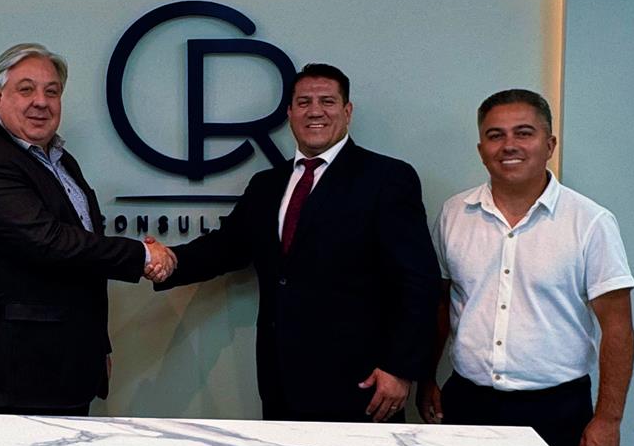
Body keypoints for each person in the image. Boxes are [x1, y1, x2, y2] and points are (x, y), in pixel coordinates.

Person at [155, 63, 440, 422]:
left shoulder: (387, 178)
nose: (315, 111)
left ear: (347, 111)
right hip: (280, 380)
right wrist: (165, 260)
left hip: (362, 383)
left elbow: (418, 281)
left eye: (327, 101)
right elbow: (226, 248)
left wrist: (400, 368)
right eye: (304, 102)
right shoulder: (267, 184)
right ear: (290, 113)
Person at [417, 88, 634, 446]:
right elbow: (441, 303)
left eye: (524, 133)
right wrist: (428, 379)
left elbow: (617, 327)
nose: (509, 145)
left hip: (556, 411)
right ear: (481, 148)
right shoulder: (454, 214)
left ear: (549, 144)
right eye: (495, 135)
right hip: (468, 404)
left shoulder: (590, 222)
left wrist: (608, 419)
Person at [0, 43, 175, 416]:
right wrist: (142, 255)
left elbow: (84, 261)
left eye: (51, 92)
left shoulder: (61, 160)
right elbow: (47, 241)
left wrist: (97, 346)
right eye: (26, 89)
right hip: (11, 377)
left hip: (66, 369)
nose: (41, 102)